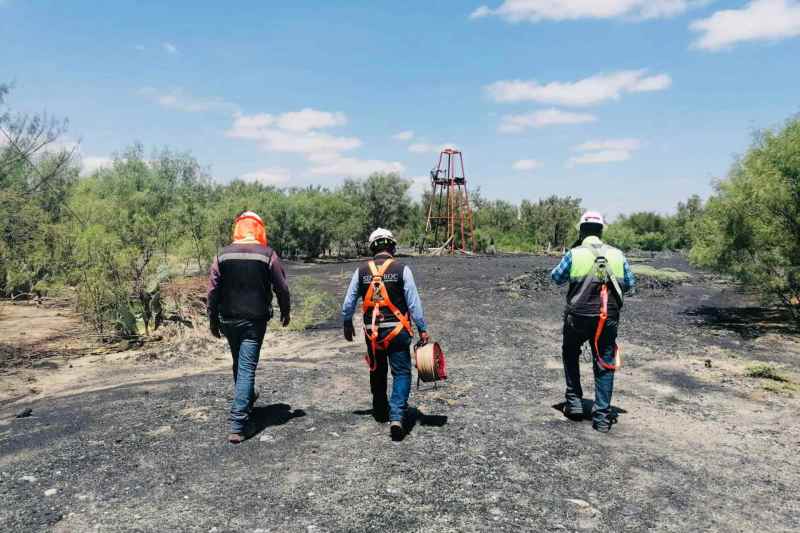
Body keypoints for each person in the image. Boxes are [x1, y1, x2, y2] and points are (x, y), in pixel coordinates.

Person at [207, 211, 291, 444]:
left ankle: (248, 397)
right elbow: (281, 288)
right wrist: (286, 311)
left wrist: (212, 319)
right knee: (246, 367)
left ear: (238, 228)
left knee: (240, 363)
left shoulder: (221, 255)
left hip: (228, 319)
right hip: (254, 321)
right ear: (258, 229)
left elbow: (212, 290)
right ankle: (239, 424)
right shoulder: (268, 254)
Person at [341, 228, 429, 441]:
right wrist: (422, 329)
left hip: (373, 334)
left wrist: (346, 322)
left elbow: (348, 303)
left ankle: (380, 410)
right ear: (392, 246)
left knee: (377, 371)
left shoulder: (361, 271)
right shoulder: (402, 269)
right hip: (397, 332)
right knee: (401, 373)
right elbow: (414, 304)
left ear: (373, 248)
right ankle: (396, 416)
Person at [550, 211, 635, 433]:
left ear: (581, 231)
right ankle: (602, 418)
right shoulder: (617, 254)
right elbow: (630, 285)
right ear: (601, 231)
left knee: (570, 353)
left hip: (577, 317)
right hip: (608, 319)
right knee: (604, 361)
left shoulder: (574, 253)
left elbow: (556, 278)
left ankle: (575, 403)